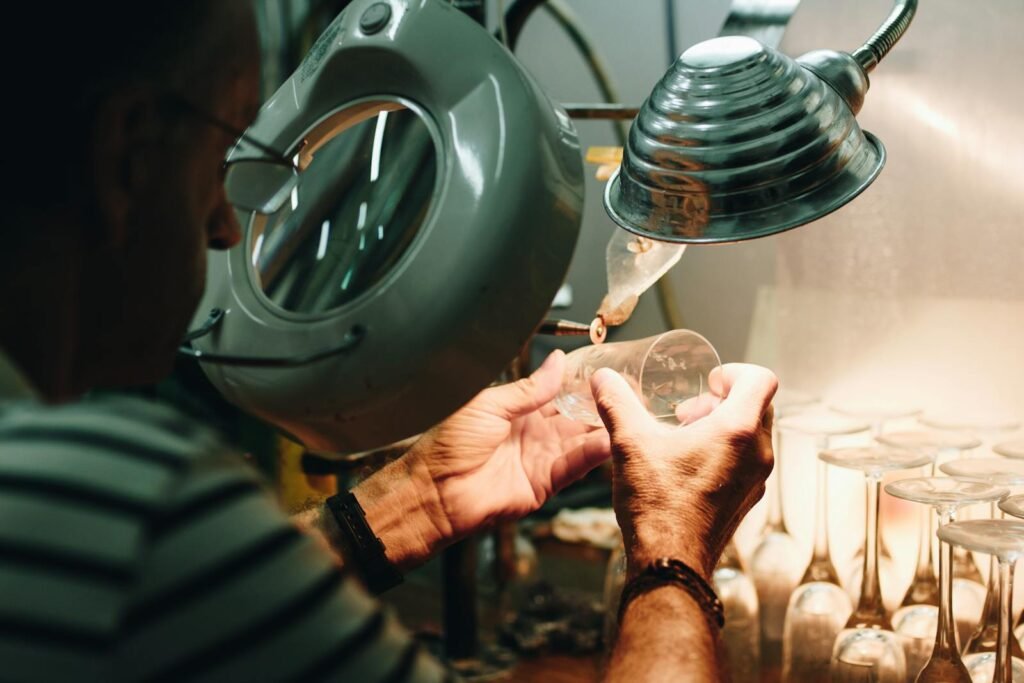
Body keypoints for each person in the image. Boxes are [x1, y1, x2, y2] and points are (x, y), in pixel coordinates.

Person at [0, 2, 777, 681]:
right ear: (128, 153)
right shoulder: (132, 501)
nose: (226, 227)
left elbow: (192, 613)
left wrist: (421, 499)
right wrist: (675, 550)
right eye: (219, 159)